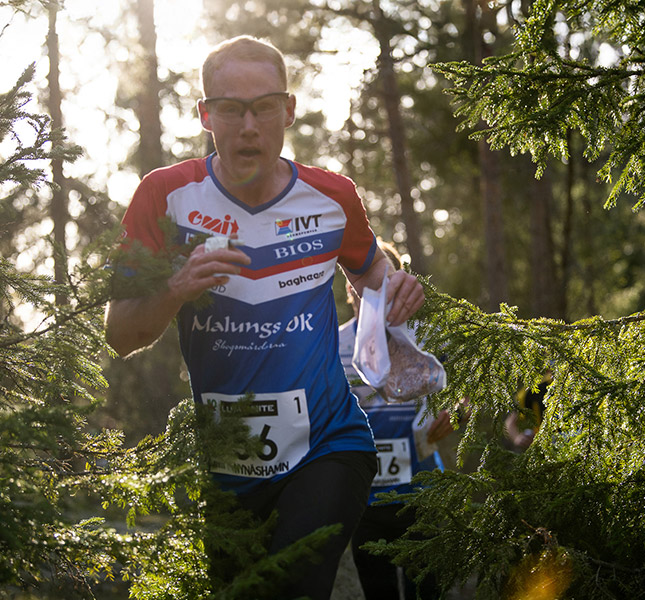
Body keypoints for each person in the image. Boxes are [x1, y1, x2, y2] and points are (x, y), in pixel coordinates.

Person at [104, 35, 426, 599]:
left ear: (289, 109)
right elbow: (121, 335)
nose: (249, 125)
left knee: (288, 588)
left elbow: (375, 276)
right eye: (230, 108)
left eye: (265, 106)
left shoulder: (332, 198)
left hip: (331, 445)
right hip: (229, 465)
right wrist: (175, 290)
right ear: (205, 115)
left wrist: (396, 288)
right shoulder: (164, 197)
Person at [336, 243, 461, 600]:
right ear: (352, 289)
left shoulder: (424, 339)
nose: (381, 292)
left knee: (430, 592)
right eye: (372, 285)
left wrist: (458, 410)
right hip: (365, 499)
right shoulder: (334, 342)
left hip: (422, 490)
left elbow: (466, 386)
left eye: (389, 282)